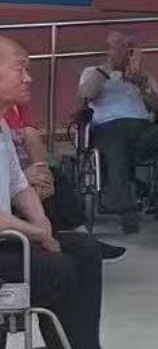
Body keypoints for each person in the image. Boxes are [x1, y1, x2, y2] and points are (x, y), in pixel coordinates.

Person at [0, 36, 151, 349]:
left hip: (9, 238)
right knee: (60, 269)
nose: (29, 77)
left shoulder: (2, 124)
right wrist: (38, 235)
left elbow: (18, 186)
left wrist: (43, 224)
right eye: (20, 68)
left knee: (83, 249)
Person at [78, 30, 158, 234]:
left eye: (127, 47)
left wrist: (141, 84)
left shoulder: (143, 77)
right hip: (108, 128)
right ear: (106, 50)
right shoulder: (92, 72)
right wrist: (109, 68)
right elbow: (86, 94)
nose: (122, 51)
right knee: (116, 140)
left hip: (142, 129)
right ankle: (124, 207)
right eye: (117, 46)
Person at [2, 103, 126, 261]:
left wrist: (41, 174)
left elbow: (32, 138)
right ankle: (76, 242)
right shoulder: (5, 116)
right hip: (11, 180)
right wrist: (24, 176)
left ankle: (80, 240)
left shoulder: (17, 108)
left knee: (54, 178)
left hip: (20, 171)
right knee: (48, 187)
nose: (27, 86)